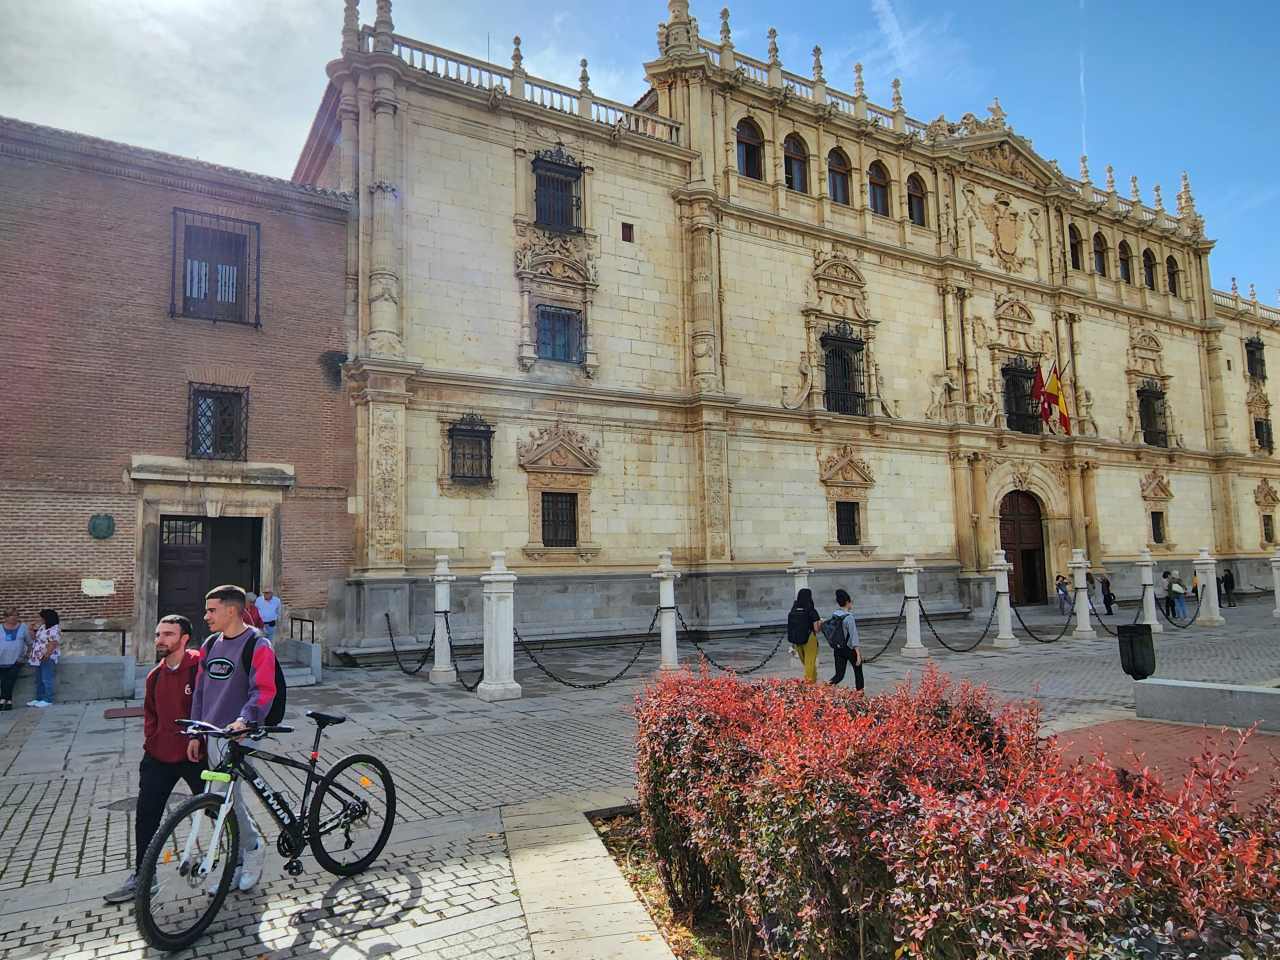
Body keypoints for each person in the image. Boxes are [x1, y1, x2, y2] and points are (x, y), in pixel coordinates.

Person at [103, 615, 207, 904]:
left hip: (194, 755)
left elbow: (209, 707)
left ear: (184, 638)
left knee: (217, 809)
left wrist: (201, 741)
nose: (161, 640)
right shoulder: (155, 675)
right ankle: (143, 877)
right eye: (159, 634)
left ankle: (240, 858)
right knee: (147, 816)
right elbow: (150, 712)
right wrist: (151, 741)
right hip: (159, 757)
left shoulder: (199, 670)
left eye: (168, 634)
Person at [189, 585, 276, 893]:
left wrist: (244, 719)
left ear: (231, 610)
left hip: (240, 735)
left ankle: (243, 856)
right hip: (213, 734)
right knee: (227, 800)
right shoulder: (211, 644)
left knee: (223, 796)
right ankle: (244, 855)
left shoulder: (258, 645)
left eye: (212, 610)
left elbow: (264, 690)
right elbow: (200, 689)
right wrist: (196, 731)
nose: (206, 616)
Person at [826, 588, 863, 691]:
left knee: (839, 675)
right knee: (858, 673)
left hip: (838, 648)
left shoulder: (835, 614)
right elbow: (853, 636)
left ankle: (825, 687)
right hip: (849, 648)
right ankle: (860, 695)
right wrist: (858, 654)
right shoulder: (849, 618)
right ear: (847, 602)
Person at [786, 588, 822, 683]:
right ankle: (805, 687)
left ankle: (813, 684)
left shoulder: (793, 610)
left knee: (808, 665)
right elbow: (816, 629)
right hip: (809, 638)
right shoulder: (811, 611)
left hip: (797, 640)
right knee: (809, 666)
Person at [1, 609, 32, 710]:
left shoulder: (23, 627)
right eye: (11, 616)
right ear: (6, 617)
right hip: (2, 657)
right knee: (4, 679)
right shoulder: (0, 628)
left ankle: (2, 699)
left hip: (17, 657)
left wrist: (29, 652)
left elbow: (29, 641)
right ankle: (8, 701)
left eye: (16, 615)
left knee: (12, 678)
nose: (14, 618)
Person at [28, 609, 60, 707]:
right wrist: (30, 629)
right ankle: (39, 697)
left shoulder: (55, 628)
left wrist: (47, 654)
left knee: (47, 678)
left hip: (47, 656)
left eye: (41, 617)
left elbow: (53, 642)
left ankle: (48, 699)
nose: (39, 619)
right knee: (38, 678)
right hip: (37, 656)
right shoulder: (43, 627)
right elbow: (35, 638)